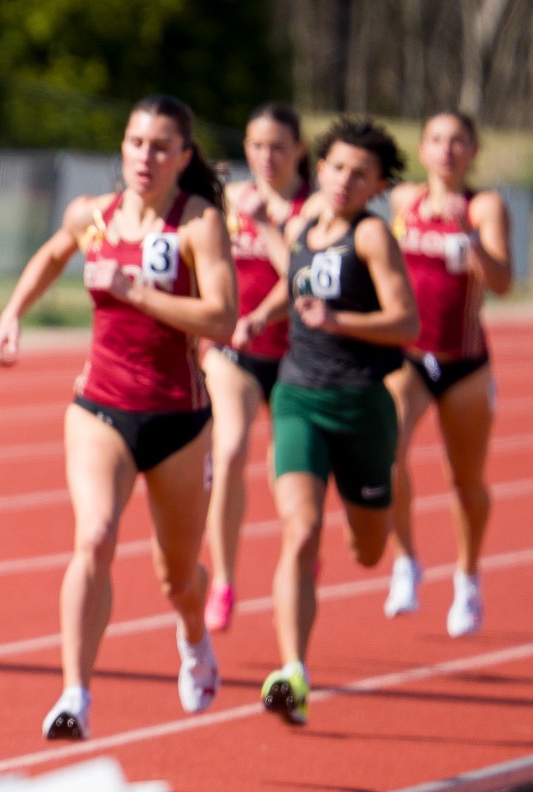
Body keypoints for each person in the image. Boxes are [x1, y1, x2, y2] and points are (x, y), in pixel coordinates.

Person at [0, 95, 238, 740]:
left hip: (179, 420)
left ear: (184, 156)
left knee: (178, 577)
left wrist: (143, 296)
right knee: (94, 535)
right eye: (135, 143)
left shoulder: (198, 223)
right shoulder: (93, 217)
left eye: (160, 146)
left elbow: (222, 319)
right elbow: (52, 253)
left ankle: (191, 634)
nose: (145, 157)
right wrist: (12, 314)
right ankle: (75, 692)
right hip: (99, 407)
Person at [260, 117, 418, 727]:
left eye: (361, 173)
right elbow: (293, 282)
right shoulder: (304, 224)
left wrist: (339, 323)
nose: (345, 180)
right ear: (319, 169)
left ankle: (363, 537)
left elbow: (406, 323)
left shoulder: (373, 238)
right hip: (298, 396)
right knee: (298, 532)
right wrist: (260, 317)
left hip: (362, 406)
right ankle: (293, 672)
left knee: (368, 550)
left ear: (378, 184)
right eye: (337, 167)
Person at [382, 112, 513, 637]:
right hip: (408, 357)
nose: (446, 150)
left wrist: (471, 238)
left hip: (464, 362)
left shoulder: (485, 206)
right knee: (384, 453)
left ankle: (467, 576)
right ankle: (407, 560)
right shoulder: (402, 202)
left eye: (458, 140)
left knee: (465, 481)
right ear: (422, 148)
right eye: (436, 139)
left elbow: (503, 282)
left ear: (474, 151)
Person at [202, 103, 312, 633]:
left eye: (278, 147)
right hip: (233, 353)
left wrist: (268, 222)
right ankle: (223, 579)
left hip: (297, 357)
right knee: (227, 451)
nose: (266, 157)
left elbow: (302, 274)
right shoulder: (228, 200)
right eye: (256, 146)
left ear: (299, 151)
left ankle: (301, 552)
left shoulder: (313, 209)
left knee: (289, 475)